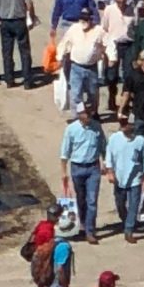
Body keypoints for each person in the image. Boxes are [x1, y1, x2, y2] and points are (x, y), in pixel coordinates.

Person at [59, 103, 105, 243]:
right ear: (79, 114)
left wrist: (107, 166)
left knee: (92, 201)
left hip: (93, 168)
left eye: (89, 113)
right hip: (77, 168)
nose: (87, 116)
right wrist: (63, 172)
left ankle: (90, 231)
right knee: (81, 199)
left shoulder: (97, 127)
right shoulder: (71, 130)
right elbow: (65, 152)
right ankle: (82, 225)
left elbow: (103, 146)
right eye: (84, 113)